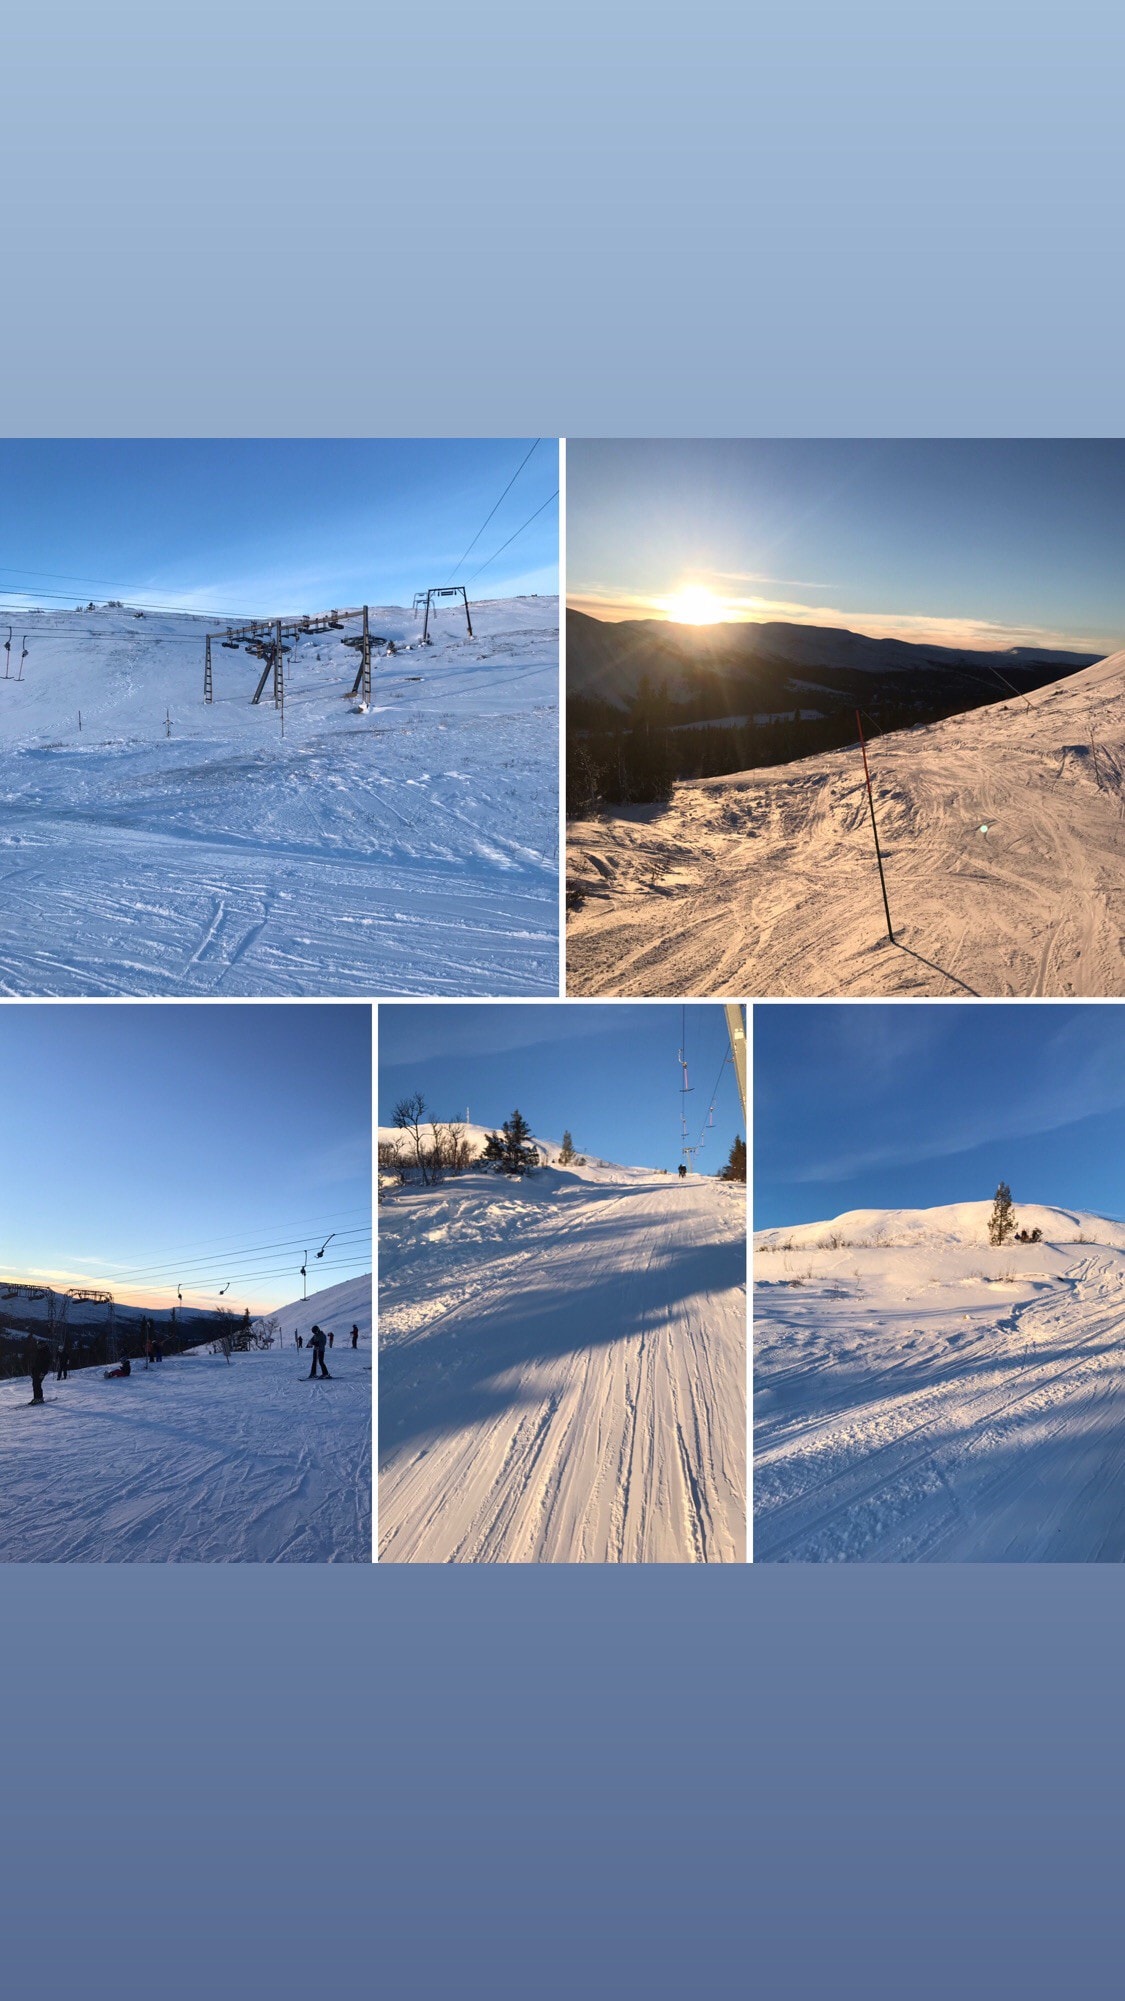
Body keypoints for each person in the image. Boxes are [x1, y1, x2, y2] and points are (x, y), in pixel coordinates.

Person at [27, 1335, 49, 1405]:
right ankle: (36, 1398)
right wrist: (32, 1371)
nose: (38, 1346)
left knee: (37, 1384)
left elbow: (47, 1364)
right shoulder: (39, 1352)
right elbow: (35, 1363)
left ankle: (39, 1398)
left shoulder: (46, 1353)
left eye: (39, 1345)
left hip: (41, 1371)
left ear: (43, 1345)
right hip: (36, 1371)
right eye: (38, 1345)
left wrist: (43, 1372)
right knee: (35, 1384)